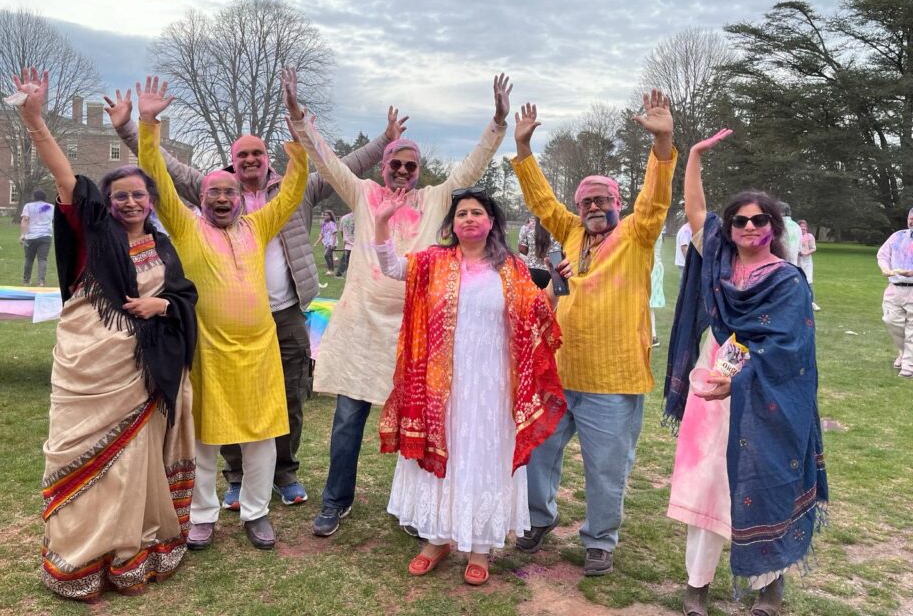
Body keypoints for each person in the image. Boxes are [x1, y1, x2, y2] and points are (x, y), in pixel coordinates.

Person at [108, 84, 404, 511]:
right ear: (226, 169)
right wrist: (137, 125)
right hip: (214, 324)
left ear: (267, 160)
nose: (248, 163)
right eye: (241, 156)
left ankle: (284, 474)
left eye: (257, 154)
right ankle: (236, 479)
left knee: (287, 398)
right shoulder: (208, 192)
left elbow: (343, 166)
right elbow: (162, 169)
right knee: (219, 402)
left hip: (281, 315)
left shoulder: (279, 204)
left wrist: (378, 140)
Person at [287, 71, 510, 537]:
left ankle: (414, 507)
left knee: (418, 423)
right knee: (348, 422)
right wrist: (297, 116)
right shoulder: (364, 195)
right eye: (397, 165)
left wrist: (497, 122)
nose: (404, 172)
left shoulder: (434, 200)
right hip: (362, 328)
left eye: (411, 166)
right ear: (383, 168)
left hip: (418, 331)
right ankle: (335, 501)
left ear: (419, 170)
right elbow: (327, 162)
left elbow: (471, 168)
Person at [11, 68, 198, 601]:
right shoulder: (93, 230)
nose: (131, 203)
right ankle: (76, 560)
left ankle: (129, 553)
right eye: (121, 196)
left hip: (139, 374)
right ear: (106, 203)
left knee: (131, 465)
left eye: (140, 195)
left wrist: (163, 303)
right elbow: (66, 175)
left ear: (152, 201)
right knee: (74, 453)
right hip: (85, 366)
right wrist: (34, 118)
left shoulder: (164, 249)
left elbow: (185, 298)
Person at [131, 76, 308, 551]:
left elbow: (291, 191)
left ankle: (256, 513)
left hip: (260, 351)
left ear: (241, 197)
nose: (224, 198)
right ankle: (204, 514)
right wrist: (148, 123)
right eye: (215, 192)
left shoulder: (259, 223)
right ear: (202, 199)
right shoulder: (187, 228)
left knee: (263, 438)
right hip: (208, 348)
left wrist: (297, 128)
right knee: (206, 439)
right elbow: (158, 179)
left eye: (231, 191)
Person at [510, 91, 676, 576]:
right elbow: (542, 201)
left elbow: (656, 198)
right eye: (586, 200)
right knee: (539, 454)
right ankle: (538, 519)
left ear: (618, 203)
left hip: (613, 376)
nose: (594, 205)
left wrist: (662, 141)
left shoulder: (637, 234)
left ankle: (600, 540)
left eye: (603, 199)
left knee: (606, 469)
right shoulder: (573, 234)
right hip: (560, 371)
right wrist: (523, 151)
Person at [664, 129, 828, 616]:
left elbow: (789, 349)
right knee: (708, 482)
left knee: (761, 483)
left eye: (760, 220)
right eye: (740, 220)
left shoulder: (785, 279)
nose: (750, 227)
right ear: (729, 227)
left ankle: (768, 585)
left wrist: (739, 381)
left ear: (774, 226)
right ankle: (697, 586)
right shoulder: (716, 260)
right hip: (710, 382)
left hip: (764, 395)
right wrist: (691, 157)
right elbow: (695, 210)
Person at [374, 186, 566, 585]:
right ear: (452, 225)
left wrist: (558, 286)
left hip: (492, 386)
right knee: (446, 454)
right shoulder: (432, 262)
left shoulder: (511, 269)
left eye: (477, 212)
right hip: (441, 386)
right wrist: (380, 222)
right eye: (461, 214)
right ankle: (437, 539)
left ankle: (480, 548)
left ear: (491, 221)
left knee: (483, 457)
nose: (469, 219)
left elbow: (538, 313)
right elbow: (393, 268)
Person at [876, 207, 913, 378]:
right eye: (911, 218)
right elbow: (882, 255)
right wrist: (885, 268)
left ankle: (908, 367)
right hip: (895, 288)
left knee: (912, 328)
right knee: (891, 321)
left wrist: (910, 272)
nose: (912, 221)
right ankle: (903, 352)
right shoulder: (898, 236)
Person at [21, 189, 54, 286]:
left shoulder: (28, 206)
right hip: (45, 236)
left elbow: (25, 220)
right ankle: (41, 281)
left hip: (30, 236)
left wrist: (23, 234)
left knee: (29, 259)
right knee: (42, 259)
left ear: (34, 197)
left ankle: (26, 281)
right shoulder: (50, 207)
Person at [518, 214, 561, 289]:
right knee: (549, 300)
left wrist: (532, 253)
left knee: (532, 300)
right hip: (549, 273)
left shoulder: (527, 226)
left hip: (530, 272)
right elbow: (556, 256)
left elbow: (521, 248)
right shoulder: (556, 227)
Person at [797, 220, 820, 312]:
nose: (803, 228)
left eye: (804, 226)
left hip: (806, 262)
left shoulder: (809, 236)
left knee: (809, 281)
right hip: (797, 261)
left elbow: (814, 248)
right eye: (801, 226)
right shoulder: (796, 236)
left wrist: (805, 253)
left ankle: (812, 302)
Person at [650, 229, 666, 346]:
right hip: (654, 268)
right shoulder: (656, 228)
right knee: (648, 306)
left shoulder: (653, 229)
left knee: (647, 304)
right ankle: (652, 335)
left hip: (651, 269)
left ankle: (652, 335)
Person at [335, 211, 355, 276]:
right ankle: (343, 274)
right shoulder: (361, 217)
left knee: (345, 260)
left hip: (348, 244)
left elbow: (341, 231)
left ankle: (340, 273)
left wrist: (345, 239)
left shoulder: (344, 218)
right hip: (357, 245)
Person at [320, 210, 338, 276]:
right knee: (329, 256)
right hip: (326, 243)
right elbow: (323, 234)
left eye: (327, 215)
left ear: (330, 216)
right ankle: (332, 271)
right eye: (324, 215)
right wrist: (322, 241)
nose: (325, 216)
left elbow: (334, 234)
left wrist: (333, 244)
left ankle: (330, 270)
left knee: (326, 255)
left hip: (332, 243)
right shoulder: (324, 224)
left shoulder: (332, 223)